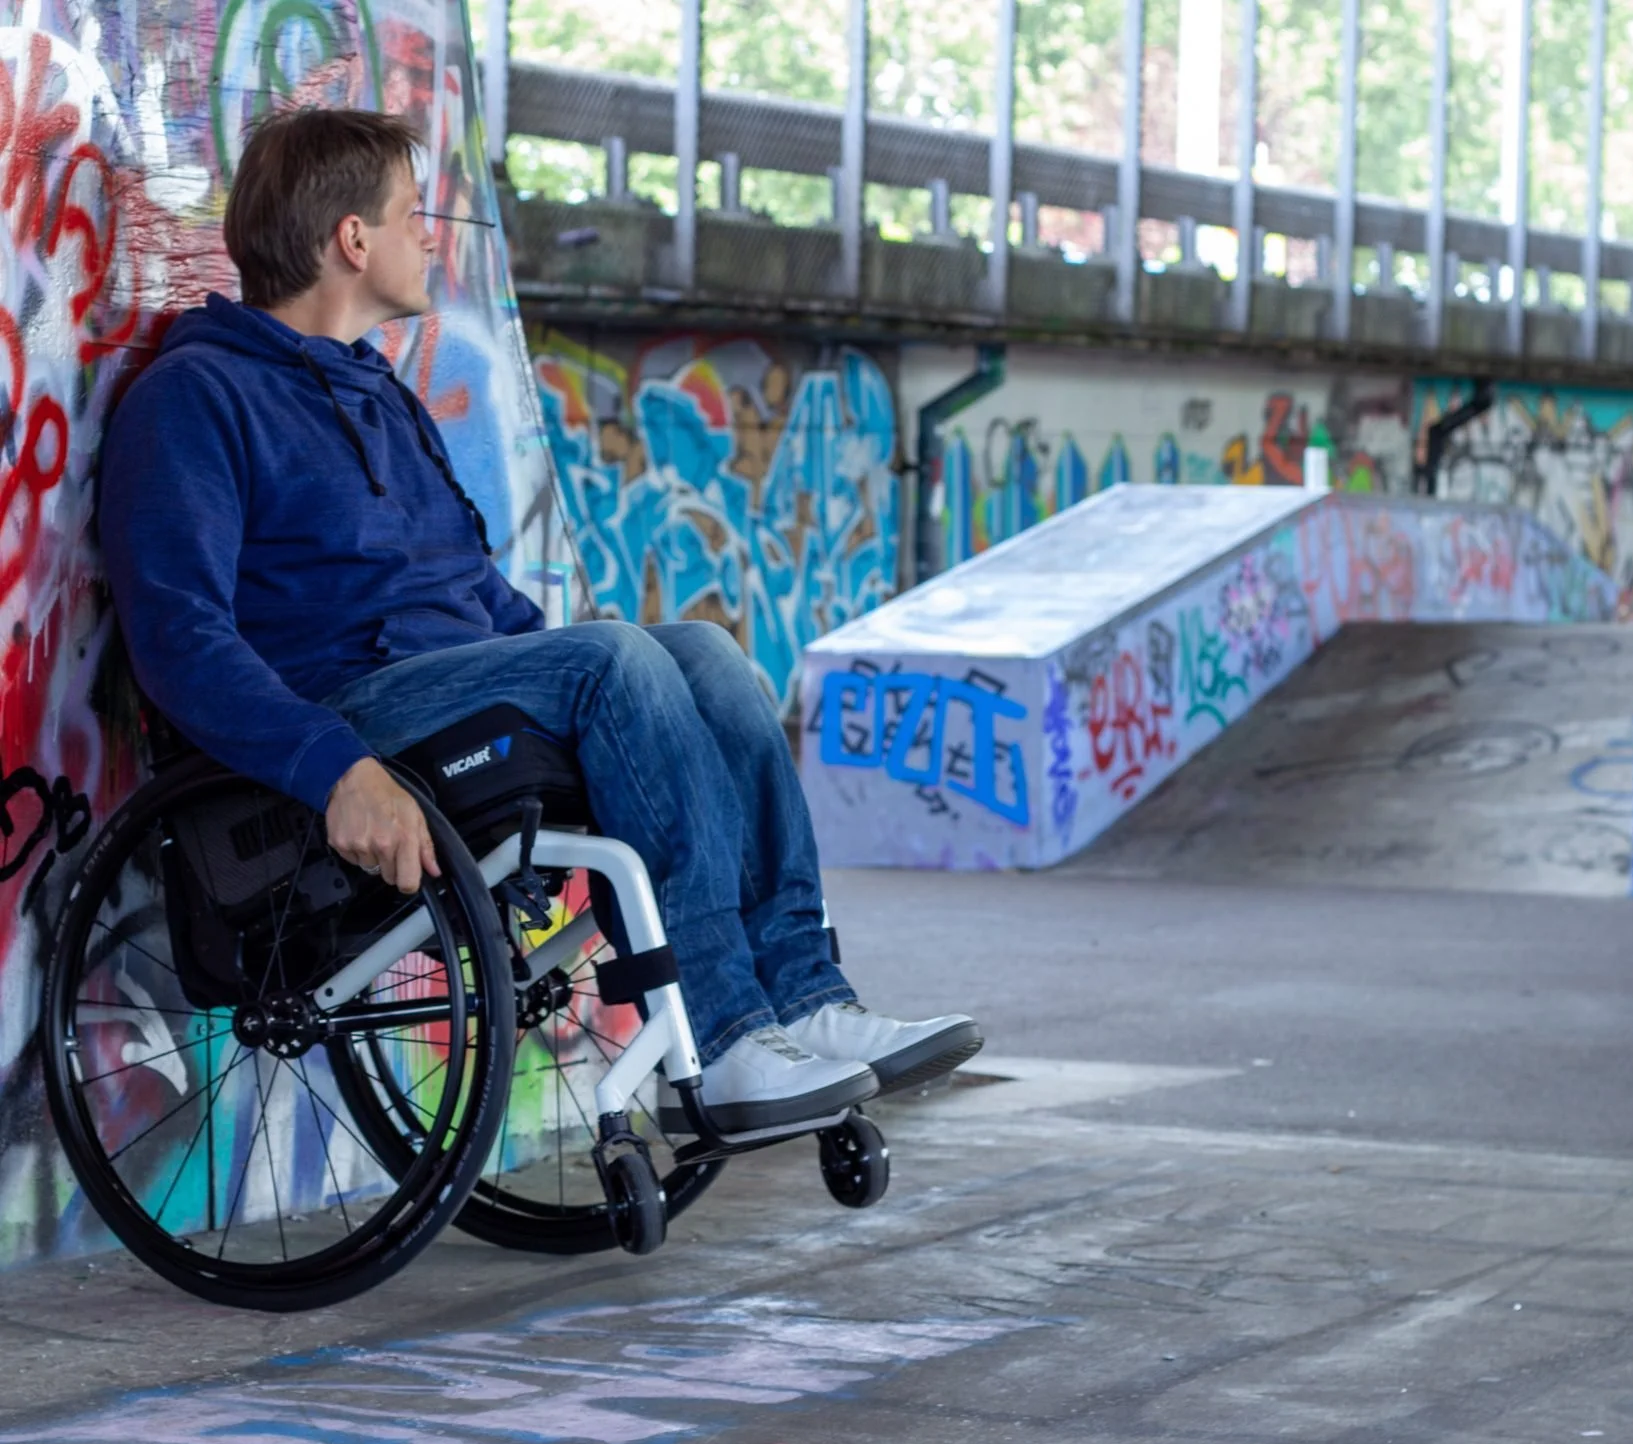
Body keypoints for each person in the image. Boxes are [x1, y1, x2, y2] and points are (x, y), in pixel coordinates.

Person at [99, 108, 982, 1134]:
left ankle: (807, 998)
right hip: (343, 716)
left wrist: (611, 660)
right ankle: (727, 1028)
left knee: (698, 652)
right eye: (409, 214)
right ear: (351, 240)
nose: (429, 235)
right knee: (613, 660)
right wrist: (334, 765)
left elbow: (477, 596)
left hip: (452, 698)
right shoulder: (197, 398)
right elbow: (179, 638)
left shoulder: (378, 394)